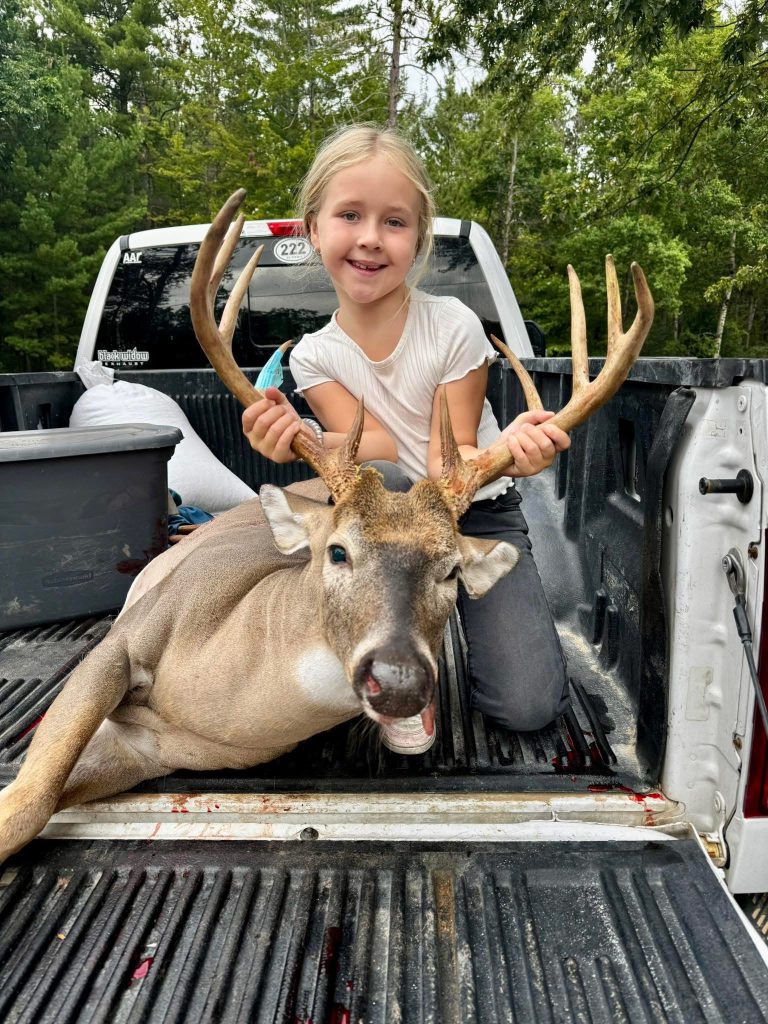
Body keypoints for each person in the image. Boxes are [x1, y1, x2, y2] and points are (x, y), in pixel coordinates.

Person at [241, 124, 571, 755]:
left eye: (394, 221)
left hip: (473, 509)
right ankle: (396, 663)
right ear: (313, 228)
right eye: (349, 215)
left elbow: (452, 462)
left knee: (527, 705)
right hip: (381, 515)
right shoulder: (314, 356)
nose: (369, 237)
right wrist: (295, 438)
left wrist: (519, 453)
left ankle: (424, 637)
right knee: (385, 483)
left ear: (418, 238)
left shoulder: (453, 326)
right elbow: (381, 451)